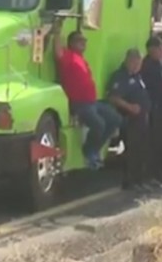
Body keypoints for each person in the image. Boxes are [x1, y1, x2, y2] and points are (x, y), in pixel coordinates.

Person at [52, 18, 121, 170]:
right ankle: (89, 151)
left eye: (84, 40)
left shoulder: (81, 59)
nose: (83, 43)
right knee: (99, 124)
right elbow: (57, 51)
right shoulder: (68, 56)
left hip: (91, 102)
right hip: (79, 103)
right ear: (71, 43)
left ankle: (95, 150)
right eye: (79, 40)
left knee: (115, 119)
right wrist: (57, 31)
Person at [107, 49, 151, 192]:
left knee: (142, 150)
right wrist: (130, 107)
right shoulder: (120, 76)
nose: (138, 66)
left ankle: (139, 180)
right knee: (131, 151)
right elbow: (113, 97)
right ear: (129, 61)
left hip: (142, 119)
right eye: (136, 63)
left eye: (139, 63)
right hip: (129, 119)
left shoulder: (137, 76)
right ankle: (130, 181)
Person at [141, 35, 162, 185]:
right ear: (151, 50)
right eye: (159, 48)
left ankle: (161, 172)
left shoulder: (161, 64)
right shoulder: (147, 66)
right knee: (154, 143)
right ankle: (151, 174)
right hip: (155, 109)